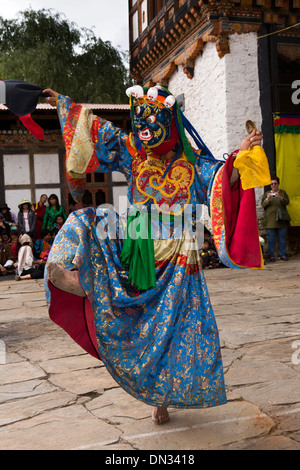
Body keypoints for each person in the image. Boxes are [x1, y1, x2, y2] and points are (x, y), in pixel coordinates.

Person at [43, 85, 268, 425]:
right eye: (139, 120)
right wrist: (65, 105)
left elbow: (223, 180)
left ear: (169, 121)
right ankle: (79, 275)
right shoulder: (133, 156)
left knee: (171, 333)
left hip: (180, 259)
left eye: (151, 119)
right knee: (88, 217)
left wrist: (241, 153)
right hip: (137, 248)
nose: (144, 127)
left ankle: (159, 396)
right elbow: (95, 131)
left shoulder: (192, 165)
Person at [261, 176, 290, 261]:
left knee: (282, 239)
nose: (273, 185)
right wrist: (267, 199)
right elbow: (263, 205)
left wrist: (280, 197)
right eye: (272, 184)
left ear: (278, 184)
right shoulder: (267, 194)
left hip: (282, 221)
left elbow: (287, 202)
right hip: (270, 221)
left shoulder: (282, 193)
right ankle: (272, 256)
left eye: (275, 184)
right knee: (271, 240)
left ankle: (282, 255)